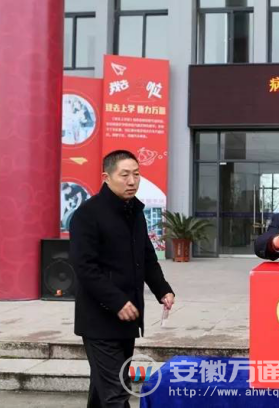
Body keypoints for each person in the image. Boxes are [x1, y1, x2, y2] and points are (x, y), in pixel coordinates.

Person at [70, 150, 175, 408]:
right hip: (99, 319)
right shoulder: (88, 214)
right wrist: (116, 301)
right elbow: (85, 267)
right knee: (116, 394)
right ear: (106, 177)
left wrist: (162, 289)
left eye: (136, 175)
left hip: (127, 317)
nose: (132, 181)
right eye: (124, 175)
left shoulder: (134, 211)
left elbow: (146, 256)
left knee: (104, 390)